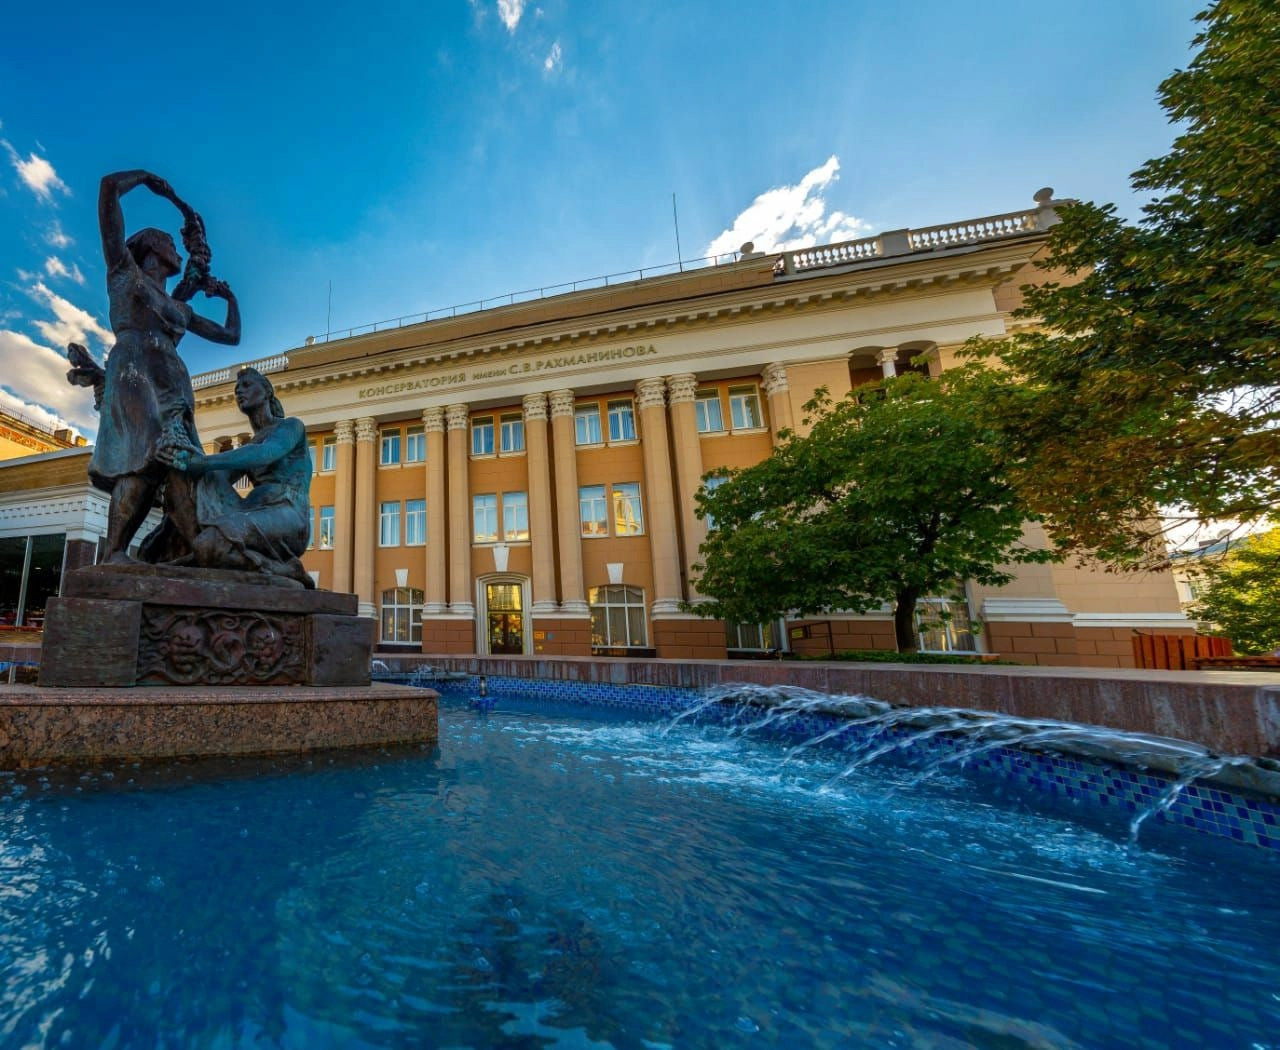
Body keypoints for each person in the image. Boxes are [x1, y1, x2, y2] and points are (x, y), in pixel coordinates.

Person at [87, 170, 241, 564]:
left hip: (173, 386)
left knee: (175, 464)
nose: (178, 250)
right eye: (171, 243)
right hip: (133, 371)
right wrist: (145, 178)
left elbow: (230, 336)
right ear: (153, 248)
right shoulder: (124, 272)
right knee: (144, 458)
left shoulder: (178, 307)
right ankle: (115, 553)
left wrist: (230, 298)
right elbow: (108, 189)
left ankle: (195, 550)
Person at [157, 368, 314, 589]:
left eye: (247, 385)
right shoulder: (251, 445)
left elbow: (266, 453)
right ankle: (271, 566)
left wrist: (202, 461)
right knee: (186, 482)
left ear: (267, 392)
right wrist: (188, 428)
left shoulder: (291, 426)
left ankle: (284, 570)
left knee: (208, 545)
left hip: (287, 516)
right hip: (250, 511)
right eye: (237, 389)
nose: (240, 391)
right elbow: (212, 478)